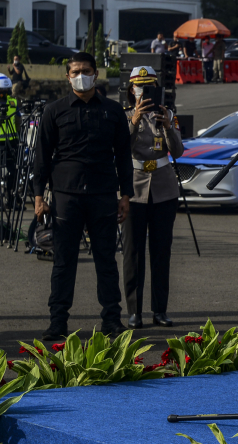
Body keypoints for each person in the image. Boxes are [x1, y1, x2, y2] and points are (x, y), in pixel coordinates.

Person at [33, 52, 134, 340]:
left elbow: (123, 157)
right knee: (64, 261)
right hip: (66, 195)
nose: (81, 75)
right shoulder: (54, 110)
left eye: (86, 70)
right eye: (75, 71)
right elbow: (42, 157)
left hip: (103, 194)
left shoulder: (113, 111)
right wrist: (39, 196)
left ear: (96, 74)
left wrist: (125, 194)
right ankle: (58, 322)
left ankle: (112, 319)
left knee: (106, 259)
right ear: (67, 76)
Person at [122, 66, 184, 329]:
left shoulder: (168, 114)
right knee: (133, 253)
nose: (143, 91)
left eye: (149, 87)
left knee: (161, 253)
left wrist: (168, 127)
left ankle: (160, 310)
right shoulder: (124, 115)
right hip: (134, 190)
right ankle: (135, 312)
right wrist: (134, 121)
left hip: (163, 190)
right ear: (131, 89)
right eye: (139, 86)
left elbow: (178, 152)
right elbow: (120, 148)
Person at [0, 73, 18, 209]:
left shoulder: (13, 102)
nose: (4, 94)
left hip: (11, 143)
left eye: (5, 91)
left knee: (13, 172)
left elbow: (18, 121)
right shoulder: (12, 102)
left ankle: (11, 199)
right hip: (6, 143)